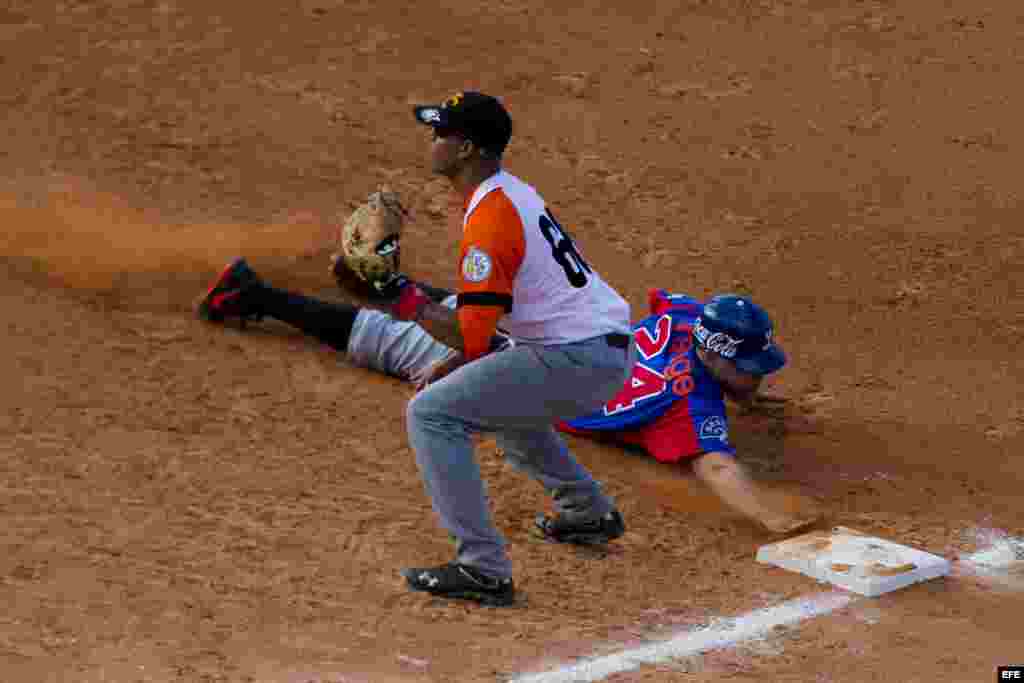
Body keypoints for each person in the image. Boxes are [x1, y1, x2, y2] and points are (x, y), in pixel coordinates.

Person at [203, 91, 637, 607]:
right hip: (591, 350)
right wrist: (454, 360)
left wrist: (397, 296)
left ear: (466, 149)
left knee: (432, 414)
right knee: (499, 403)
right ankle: (587, 512)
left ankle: (482, 568)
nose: (432, 141)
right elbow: (506, 318)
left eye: (441, 133)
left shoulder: (491, 222)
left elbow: (474, 334)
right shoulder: (509, 194)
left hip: (578, 359)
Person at [198, 263, 812, 603]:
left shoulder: (685, 314)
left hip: (551, 335)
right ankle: (254, 294)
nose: (757, 380)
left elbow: (666, 314)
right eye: (749, 370)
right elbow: (715, 466)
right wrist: (768, 516)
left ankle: (382, 277)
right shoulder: (690, 403)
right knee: (400, 344)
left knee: (458, 308)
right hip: (524, 371)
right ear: (719, 358)